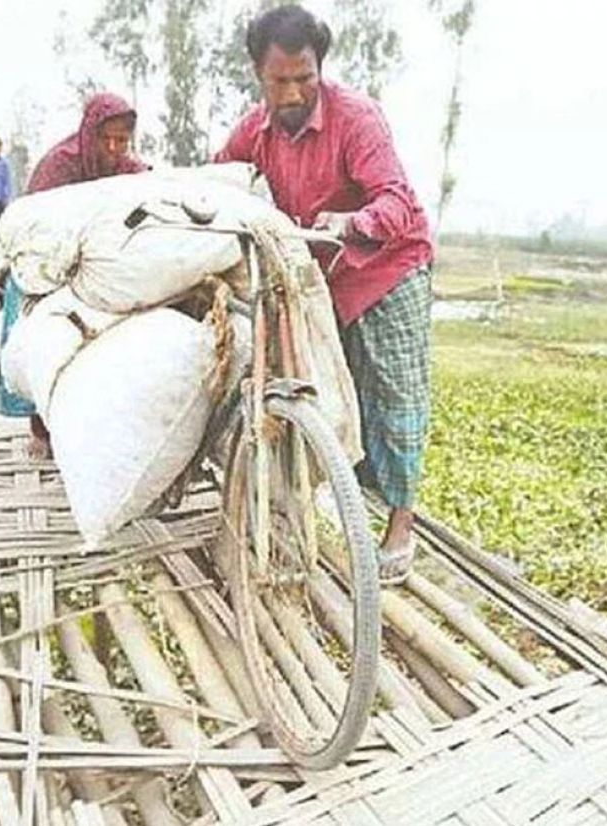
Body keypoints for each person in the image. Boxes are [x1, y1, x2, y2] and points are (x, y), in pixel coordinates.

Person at [215, 4, 434, 584]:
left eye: (304, 79)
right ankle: (344, 496)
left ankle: (401, 524)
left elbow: (398, 201)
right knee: (338, 390)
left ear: (320, 69)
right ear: (258, 75)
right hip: (323, 279)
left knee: (395, 395)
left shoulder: (356, 119)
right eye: (278, 81)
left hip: (387, 267)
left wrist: (352, 221)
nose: (291, 94)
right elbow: (215, 181)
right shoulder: (252, 132)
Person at [0, 93, 146, 460]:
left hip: (95, 269)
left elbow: (148, 193)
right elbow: (34, 225)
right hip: (47, 265)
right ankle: (40, 429)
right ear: (89, 133)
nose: (112, 148)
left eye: (121, 140)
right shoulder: (59, 165)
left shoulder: (127, 171)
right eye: (105, 139)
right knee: (40, 338)